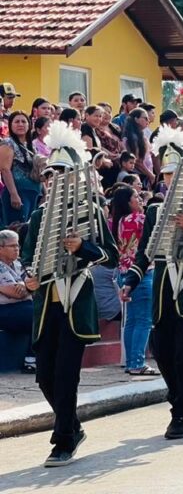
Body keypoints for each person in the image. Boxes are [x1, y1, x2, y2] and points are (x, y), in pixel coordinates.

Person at [22, 121, 119, 466]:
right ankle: (73, 427)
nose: (54, 179)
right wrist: (29, 278)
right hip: (46, 305)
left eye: (62, 173)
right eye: (51, 174)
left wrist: (83, 248)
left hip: (76, 299)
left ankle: (63, 439)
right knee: (44, 375)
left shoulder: (90, 212)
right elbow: (27, 257)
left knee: (65, 374)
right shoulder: (37, 217)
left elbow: (111, 256)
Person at [120, 125, 183, 436]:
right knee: (162, 352)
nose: (171, 179)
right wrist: (131, 281)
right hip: (162, 291)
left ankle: (182, 412)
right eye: (167, 174)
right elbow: (145, 253)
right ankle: (177, 399)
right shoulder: (155, 211)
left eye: (176, 174)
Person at [109, 185, 159, 376]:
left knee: (132, 320)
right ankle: (137, 362)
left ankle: (131, 361)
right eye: (136, 197)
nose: (140, 200)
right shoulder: (138, 219)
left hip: (124, 272)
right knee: (143, 320)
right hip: (141, 273)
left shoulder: (119, 221)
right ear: (128, 202)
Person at [0, 229, 35, 373]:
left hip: (23, 306)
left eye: (17, 245)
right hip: (4, 310)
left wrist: (26, 287)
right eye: (12, 246)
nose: (17, 249)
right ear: (0, 248)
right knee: (36, 315)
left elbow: (34, 284)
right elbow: (15, 293)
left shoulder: (19, 263)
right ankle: (31, 360)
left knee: (46, 311)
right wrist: (28, 288)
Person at [0, 112, 42, 224]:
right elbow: (5, 170)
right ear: (10, 125)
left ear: (29, 125)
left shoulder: (31, 146)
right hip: (18, 193)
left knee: (29, 229)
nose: (20, 124)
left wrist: (44, 192)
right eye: (17, 122)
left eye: (23, 121)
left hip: (34, 194)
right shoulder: (8, 143)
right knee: (17, 228)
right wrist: (14, 194)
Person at [122, 108, 155, 190]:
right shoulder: (133, 138)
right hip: (140, 176)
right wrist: (151, 175)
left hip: (145, 175)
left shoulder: (141, 136)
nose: (148, 120)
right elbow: (137, 162)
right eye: (145, 118)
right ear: (136, 119)